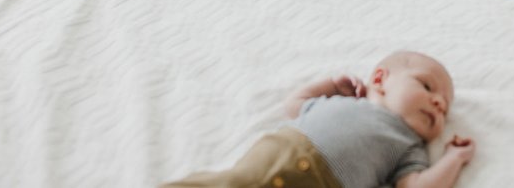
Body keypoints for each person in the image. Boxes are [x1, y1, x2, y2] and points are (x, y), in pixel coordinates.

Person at [166, 51, 476, 188]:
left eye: (444, 108)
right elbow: (294, 104)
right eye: (426, 86)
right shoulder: (340, 102)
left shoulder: (409, 147)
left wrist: (455, 158)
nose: (438, 103)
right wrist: (330, 84)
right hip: (270, 160)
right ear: (380, 79)